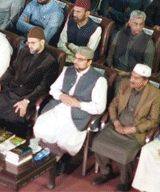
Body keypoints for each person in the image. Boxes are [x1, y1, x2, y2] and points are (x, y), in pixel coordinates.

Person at [34, 46, 108, 174]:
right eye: (75, 58)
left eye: (80, 59)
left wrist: (79, 104)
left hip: (79, 114)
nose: (75, 61)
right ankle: (53, 156)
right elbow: (53, 89)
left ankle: (61, 158)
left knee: (65, 140)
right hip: (59, 107)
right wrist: (61, 95)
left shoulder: (99, 80)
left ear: (89, 62)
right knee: (41, 129)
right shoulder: (67, 70)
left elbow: (99, 107)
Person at [91, 64, 160, 191]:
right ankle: (106, 172)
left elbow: (154, 121)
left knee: (125, 153)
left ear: (146, 81)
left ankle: (125, 181)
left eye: (136, 78)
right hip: (117, 125)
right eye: (132, 76)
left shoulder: (156, 94)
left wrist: (132, 129)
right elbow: (113, 106)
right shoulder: (124, 84)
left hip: (135, 131)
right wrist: (116, 122)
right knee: (97, 142)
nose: (132, 80)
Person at [0, 26, 59, 136]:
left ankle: (18, 135)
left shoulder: (50, 62)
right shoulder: (24, 51)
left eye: (33, 43)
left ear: (42, 42)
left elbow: (44, 87)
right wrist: (0, 83)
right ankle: (5, 131)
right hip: (12, 90)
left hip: (28, 96)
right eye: (28, 43)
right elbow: (12, 70)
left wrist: (27, 101)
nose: (30, 46)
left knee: (15, 116)